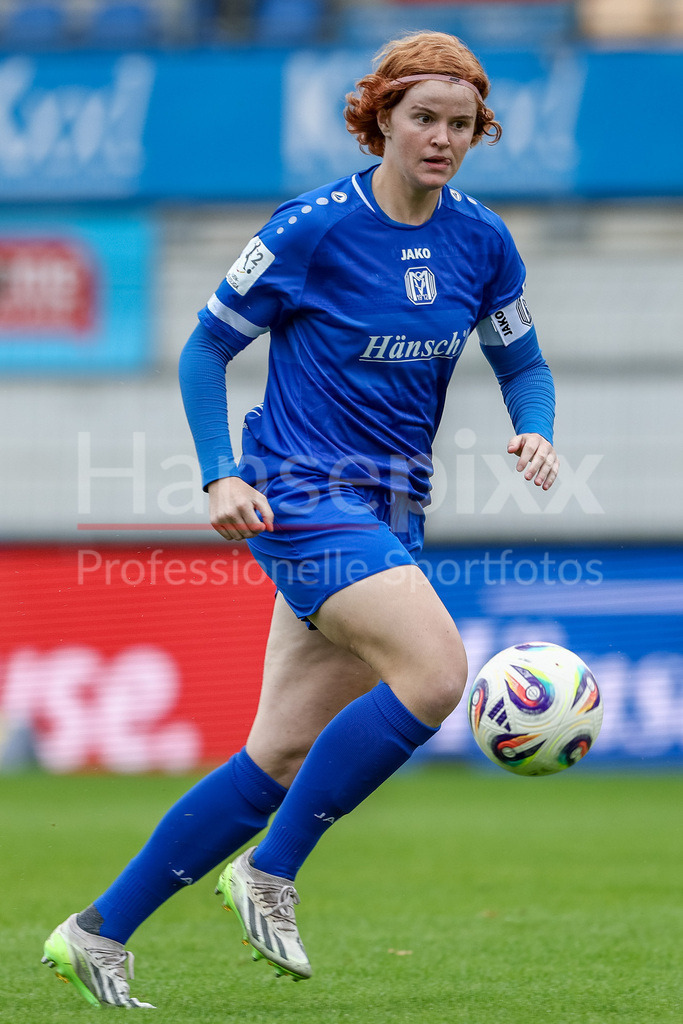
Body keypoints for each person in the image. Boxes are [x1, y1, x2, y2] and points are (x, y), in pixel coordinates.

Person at [42, 30, 559, 1008]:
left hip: (391, 508)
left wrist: (534, 429)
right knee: (438, 670)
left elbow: (520, 361)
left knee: (274, 754)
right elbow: (204, 351)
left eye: (460, 124)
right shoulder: (309, 228)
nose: (442, 138)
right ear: (381, 120)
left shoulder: (481, 240)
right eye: (423, 119)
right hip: (300, 496)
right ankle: (270, 870)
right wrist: (215, 476)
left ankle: (97, 931)